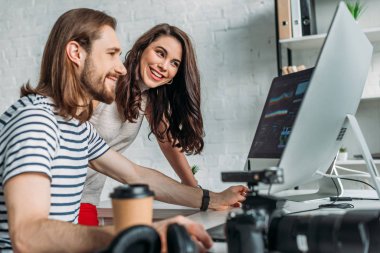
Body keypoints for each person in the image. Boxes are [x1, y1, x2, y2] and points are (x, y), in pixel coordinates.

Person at [0, 8, 246, 252]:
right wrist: (138, 235)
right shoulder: (36, 121)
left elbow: (137, 176)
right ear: (76, 53)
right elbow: (28, 235)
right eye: (111, 55)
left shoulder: (77, 129)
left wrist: (211, 198)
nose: (121, 68)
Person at [80, 23, 217, 225]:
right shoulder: (106, 82)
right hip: (55, 195)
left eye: (174, 63)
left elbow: (168, 143)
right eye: (160, 53)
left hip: (86, 198)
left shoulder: (148, 99)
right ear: (141, 49)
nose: (164, 66)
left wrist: (196, 194)